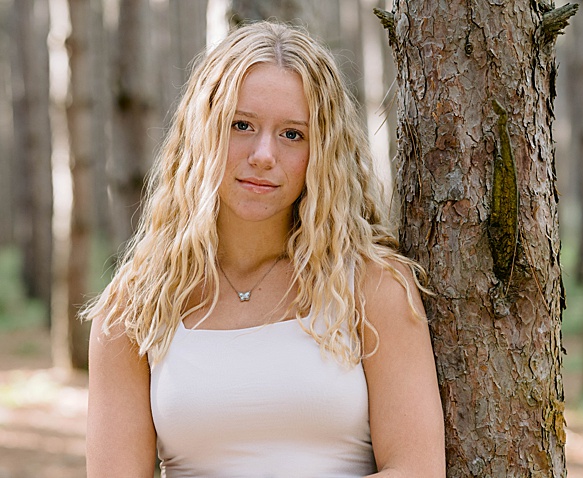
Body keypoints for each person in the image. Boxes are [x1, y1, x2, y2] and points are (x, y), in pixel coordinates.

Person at [83, 22, 445, 477]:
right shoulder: (134, 308)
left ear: (322, 151)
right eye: (242, 125)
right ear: (202, 132)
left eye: (292, 134)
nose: (263, 154)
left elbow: (417, 468)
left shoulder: (373, 286)